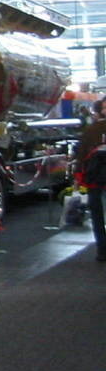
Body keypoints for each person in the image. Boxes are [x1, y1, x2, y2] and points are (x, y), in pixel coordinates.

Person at [75, 98, 106, 261]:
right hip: (96, 176)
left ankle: (102, 249)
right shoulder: (92, 129)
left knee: (97, 213)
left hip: (94, 177)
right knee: (97, 212)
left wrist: (78, 174)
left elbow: (81, 154)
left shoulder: (90, 130)